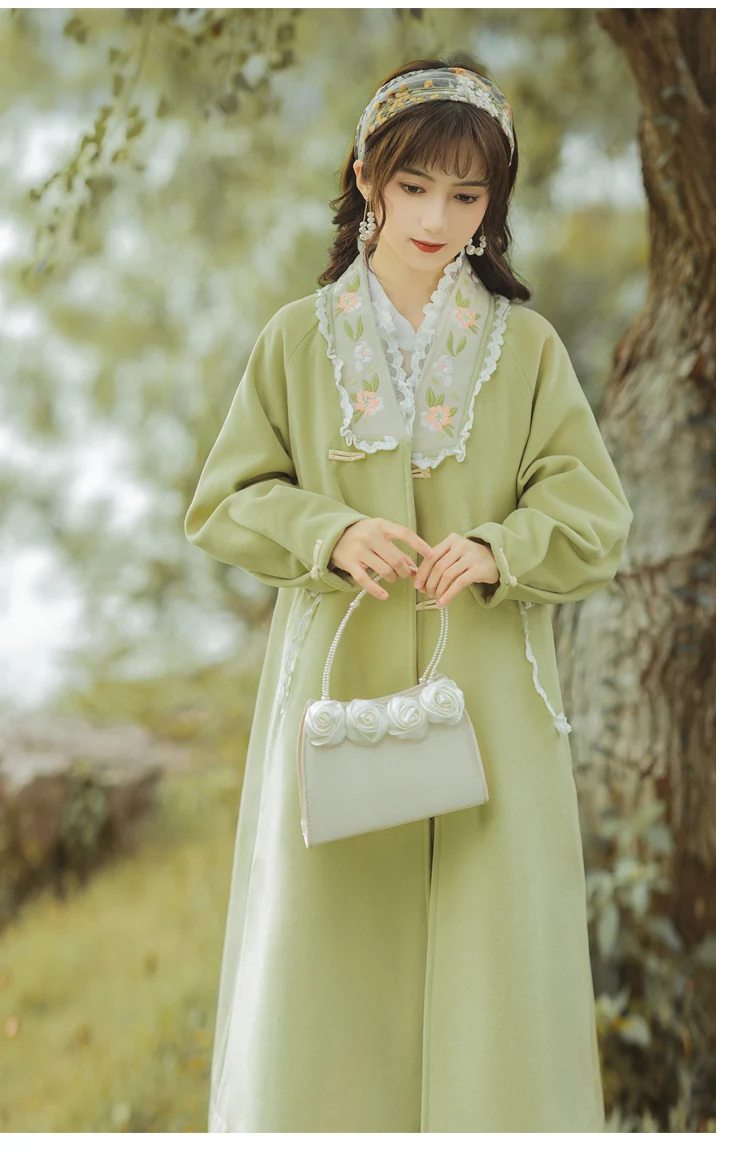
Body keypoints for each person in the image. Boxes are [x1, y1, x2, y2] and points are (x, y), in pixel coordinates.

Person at [184, 55, 634, 1134]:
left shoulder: (526, 350)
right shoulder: (297, 339)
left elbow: (594, 515)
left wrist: (500, 547)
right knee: (328, 959)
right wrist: (329, 530)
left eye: (467, 195)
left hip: (494, 705)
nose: (437, 218)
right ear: (366, 179)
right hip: (333, 703)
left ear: (493, 203)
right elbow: (226, 500)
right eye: (415, 186)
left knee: (495, 964)